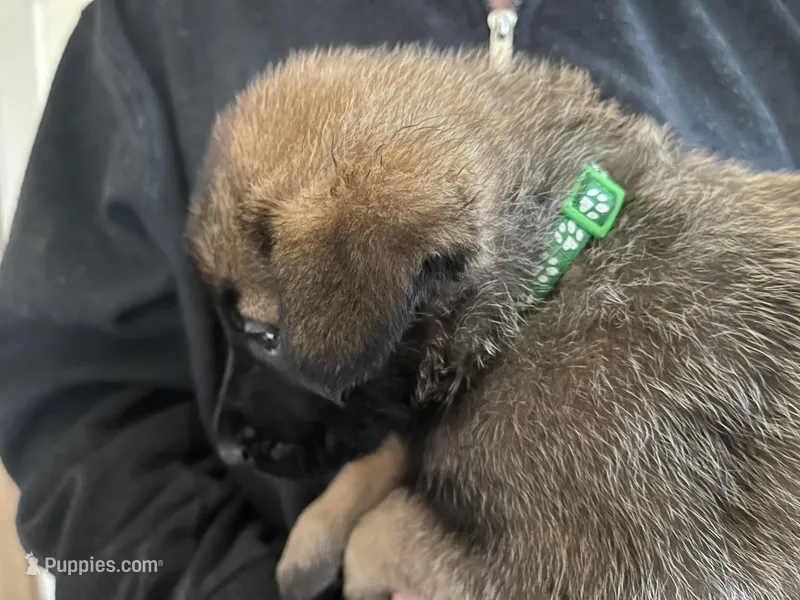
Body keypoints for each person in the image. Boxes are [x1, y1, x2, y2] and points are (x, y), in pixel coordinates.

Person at [0, 0, 798, 598]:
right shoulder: (155, 22)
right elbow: (73, 409)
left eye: (270, 339)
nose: (235, 428)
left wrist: (407, 547)